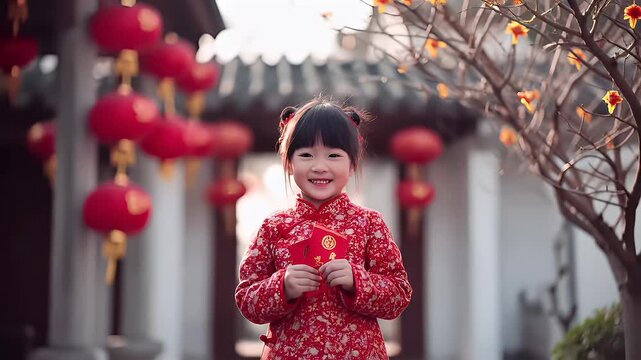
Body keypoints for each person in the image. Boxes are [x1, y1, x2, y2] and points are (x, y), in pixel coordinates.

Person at [235, 98, 412, 359]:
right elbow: (247, 300)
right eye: (306, 155)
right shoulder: (274, 228)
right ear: (289, 163)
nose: (319, 166)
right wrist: (282, 285)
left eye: (333, 155)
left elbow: (398, 295)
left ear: (352, 164)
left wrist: (357, 280)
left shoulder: (368, 224)